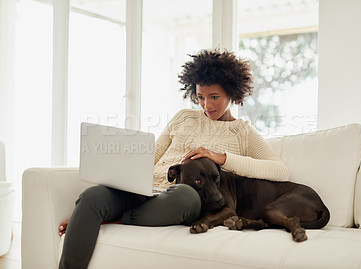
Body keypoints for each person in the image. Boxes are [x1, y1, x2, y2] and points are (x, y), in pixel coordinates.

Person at [58, 49, 289, 269]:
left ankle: (111, 220)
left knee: (184, 195)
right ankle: (91, 219)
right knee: (91, 197)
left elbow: (280, 171)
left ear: (232, 92)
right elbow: (151, 157)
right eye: (200, 97)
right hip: (144, 192)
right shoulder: (182, 118)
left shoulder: (243, 132)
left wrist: (221, 157)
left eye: (214, 97)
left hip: (179, 201)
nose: (206, 105)